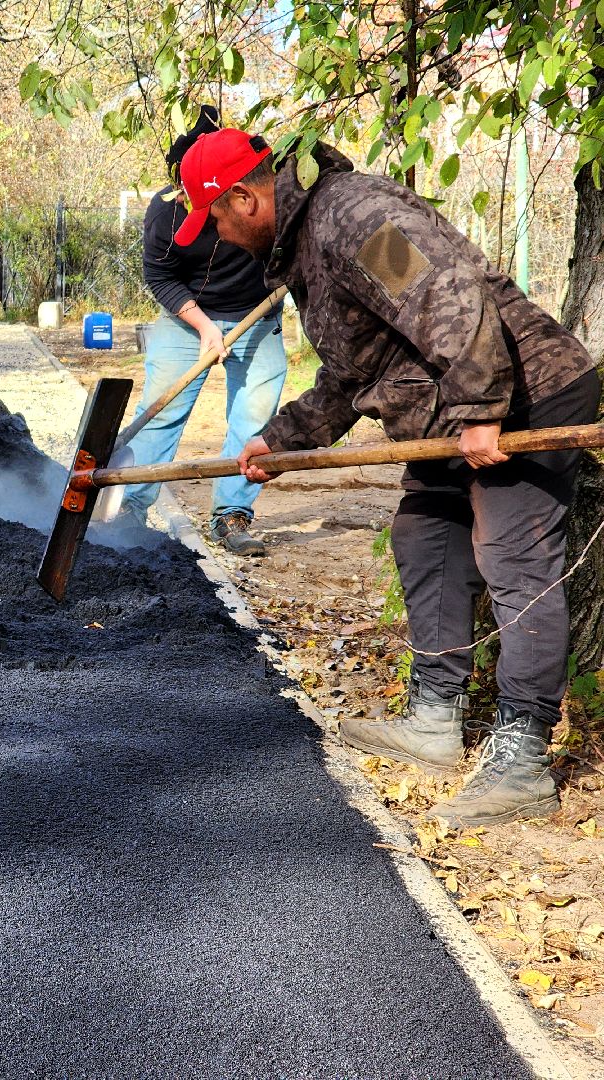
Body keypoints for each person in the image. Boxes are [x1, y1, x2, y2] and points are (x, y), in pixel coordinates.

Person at [174, 127, 600, 828]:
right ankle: (434, 719)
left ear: (244, 198)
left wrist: (481, 409)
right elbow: (355, 375)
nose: (216, 234)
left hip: (525, 396)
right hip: (450, 411)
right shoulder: (308, 243)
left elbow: (450, 294)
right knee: (425, 536)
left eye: (214, 217)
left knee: (514, 559)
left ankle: (523, 759)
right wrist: (280, 438)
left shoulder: (353, 215)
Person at [97, 107, 286, 557]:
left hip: (257, 313)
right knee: (161, 411)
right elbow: (159, 275)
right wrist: (203, 326)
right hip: (186, 317)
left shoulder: (258, 197)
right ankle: (130, 508)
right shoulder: (165, 211)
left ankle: (231, 515)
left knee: (254, 417)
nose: (190, 197)